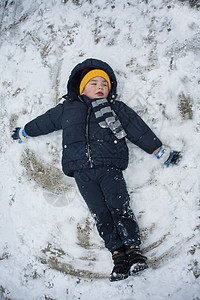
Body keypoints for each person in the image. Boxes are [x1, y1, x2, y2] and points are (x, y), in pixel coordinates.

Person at [12, 58, 182, 282]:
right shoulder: (67, 109)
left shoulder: (116, 108)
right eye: (94, 83)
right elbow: (45, 122)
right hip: (82, 172)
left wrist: (159, 151)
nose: (100, 87)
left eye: (104, 84)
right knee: (101, 214)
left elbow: (137, 129)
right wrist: (25, 131)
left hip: (110, 167)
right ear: (82, 88)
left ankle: (133, 251)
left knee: (120, 207)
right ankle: (117, 257)